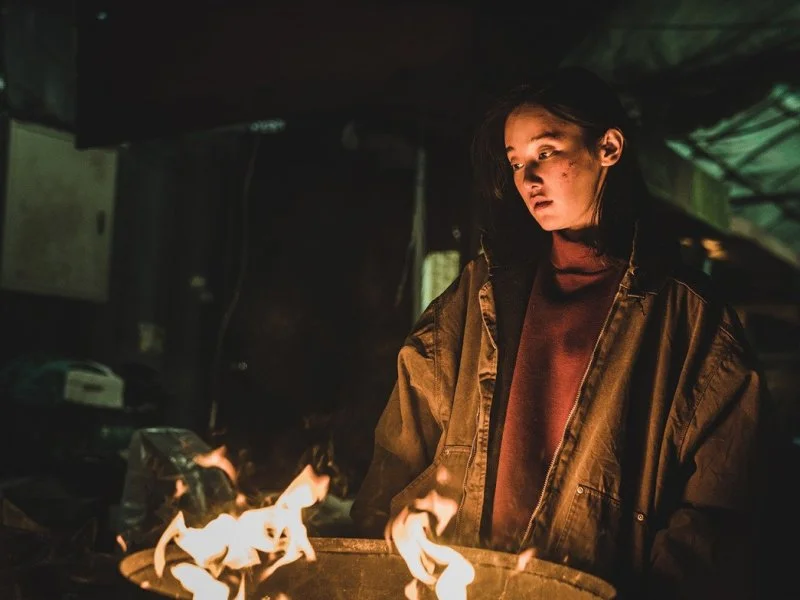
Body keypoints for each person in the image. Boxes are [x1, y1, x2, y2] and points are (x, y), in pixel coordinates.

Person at [350, 66, 775, 599]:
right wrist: (374, 573)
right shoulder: (483, 291)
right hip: (463, 583)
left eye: (546, 152)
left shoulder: (688, 316)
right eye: (516, 162)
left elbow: (719, 506)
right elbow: (400, 448)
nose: (528, 179)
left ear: (609, 148)